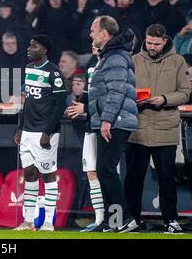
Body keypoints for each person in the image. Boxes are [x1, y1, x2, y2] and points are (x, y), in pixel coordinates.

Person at [125, 24, 191, 234]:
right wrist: (134, 98)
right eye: (149, 42)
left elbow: (185, 92)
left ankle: (171, 220)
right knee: (134, 178)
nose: (151, 47)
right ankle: (132, 218)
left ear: (165, 41)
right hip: (138, 128)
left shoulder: (178, 61)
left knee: (166, 179)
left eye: (156, 43)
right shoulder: (134, 60)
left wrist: (163, 99)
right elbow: (124, 89)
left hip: (165, 128)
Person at [88, 15, 138, 233]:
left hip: (115, 121)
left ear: (104, 34)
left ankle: (126, 218)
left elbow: (116, 91)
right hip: (110, 120)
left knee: (106, 169)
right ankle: (113, 221)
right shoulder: (108, 56)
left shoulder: (115, 57)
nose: (90, 34)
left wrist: (107, 119)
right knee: (104, 169)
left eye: (93, 29)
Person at [13, 34, 67, 232]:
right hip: (28, 131)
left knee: (48, 175)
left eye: (34, 46)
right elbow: (27, 101)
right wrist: (20, 127)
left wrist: (47, 131)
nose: (29, 48)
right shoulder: (28, 69)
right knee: (29, 173)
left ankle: (48, 223)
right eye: (29, 45)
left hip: (45, 132)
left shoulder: (54, 73)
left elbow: (60, 104)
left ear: (44, 50)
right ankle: (28, 222)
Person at [66, 44, 105, 232]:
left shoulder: (111, 66)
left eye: (96, 45)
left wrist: (85, 108)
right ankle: (99, 219)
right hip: (91, 127)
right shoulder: (93, 69)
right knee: (91, 173)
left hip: (106, 127)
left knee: (106, 173)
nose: (93, 47)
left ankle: (115, 216)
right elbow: (92, 98)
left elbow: (111, 97)